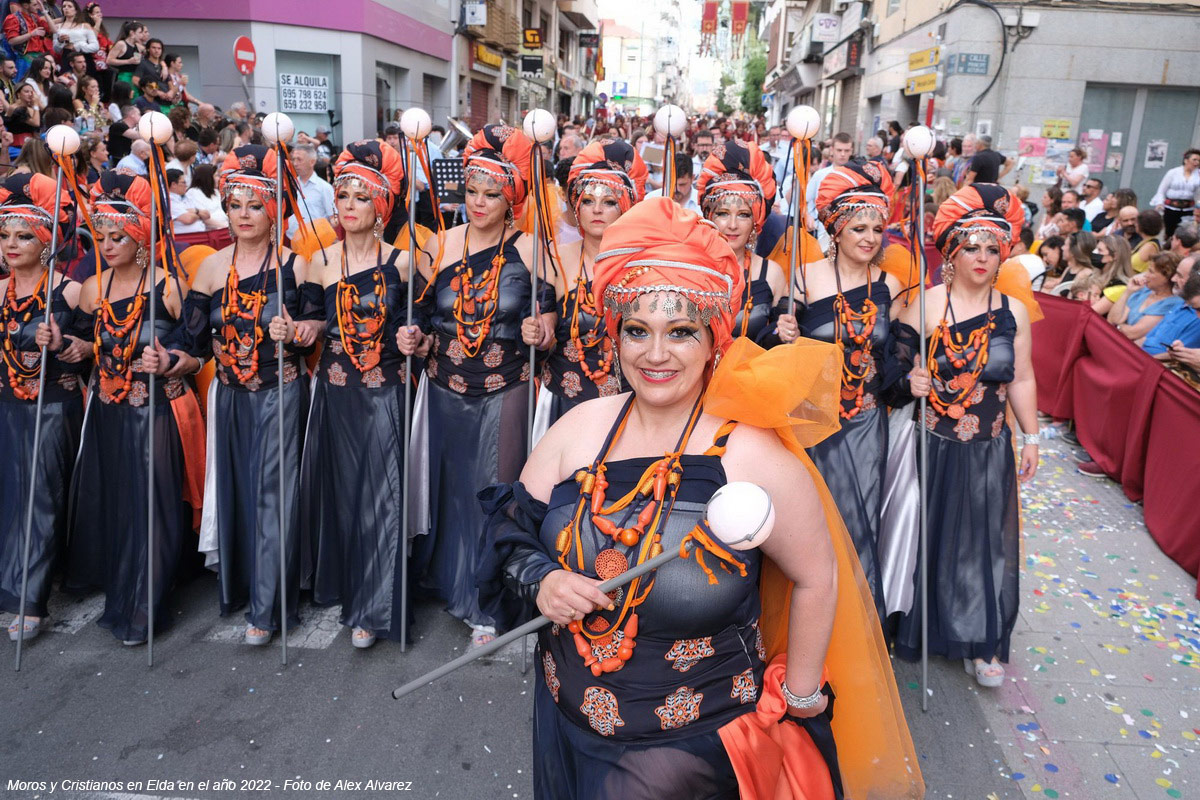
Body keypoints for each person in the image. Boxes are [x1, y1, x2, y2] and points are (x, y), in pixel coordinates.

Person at [478, 196, 921, 800]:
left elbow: (817, 577)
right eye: (637, 331)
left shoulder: (752, 455)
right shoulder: (578, 428)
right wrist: (543, 579)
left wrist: (798, 698)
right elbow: (508, 529)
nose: (656, 354)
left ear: (714, 338)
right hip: (562, 724)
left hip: (691, 755)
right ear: (615, 335)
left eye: (681, 332)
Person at [396, 124, 553, 649]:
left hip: (506, 387)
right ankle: (447, 582)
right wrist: (413, 336)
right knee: (447, 491)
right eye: (472, 191)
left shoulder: (532, 248)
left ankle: (489, 600)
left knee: (495, 492)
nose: (480, 202)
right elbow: (417, 314)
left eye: (492, 194)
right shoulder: (440, 243)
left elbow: (549, 316)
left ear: (511, 201)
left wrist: (542, 330)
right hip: (444, 387)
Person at [155, 145, 317, 647]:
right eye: (235, 205)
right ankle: (246, 586)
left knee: (274, 497)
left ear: (275, 211)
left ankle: (269, 606)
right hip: (228, 398)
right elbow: (193, 345)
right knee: (238, 495)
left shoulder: (297, 266)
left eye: (255, 205)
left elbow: (317, 328)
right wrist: (170, 360)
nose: (243, 215)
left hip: (280, 394)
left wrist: (299, 332)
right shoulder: (209, 268)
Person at [896, 183, 1039, 687]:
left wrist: (1032, 437)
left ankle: (980, 641)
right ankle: (923, 625)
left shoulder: (1013, 311)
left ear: (1003, 254)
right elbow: (894, 368)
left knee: (980, 545)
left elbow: (1022, 377)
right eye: (971, 247)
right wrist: (909, 378)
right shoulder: (926, 305)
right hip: (930, 446)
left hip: (986, 449)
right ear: (952, 252)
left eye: (992, 248)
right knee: (927, 537)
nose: (981, 257)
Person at [65, 171, 205, 646]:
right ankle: (126, 593)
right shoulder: (92, 289)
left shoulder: (170, 287)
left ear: (141, 236)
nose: (106, 245)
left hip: (159, 413)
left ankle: (147, 605)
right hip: (110, 412)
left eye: (117, 236)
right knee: (121, 505)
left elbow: (198, 351)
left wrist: (170, 360)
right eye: (101, 236)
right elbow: (86, 347)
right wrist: (70, 346)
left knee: (155, 505)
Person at [772, 160, 905, 614]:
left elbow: (896, 362)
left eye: (877, 229)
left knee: (858, 522)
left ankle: (856, 623)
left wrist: (912, 380)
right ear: (836, 229)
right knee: (808, 525)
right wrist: (782, 332)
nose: (869, 238)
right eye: (858, 228)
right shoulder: (804, 277)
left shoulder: (890, 286)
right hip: (812, 423)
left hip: (866, 423)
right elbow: (775, 348)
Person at [300, 140, 413, 649]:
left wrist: (416, 338)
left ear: (381, 207)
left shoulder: (405, 263)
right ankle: (346, 587)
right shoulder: (319, 262)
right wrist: (297, 330)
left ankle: (372, 605)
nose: (348, 205)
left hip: (385, 393)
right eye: (342, 195)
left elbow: (421, 326)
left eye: (361, 197)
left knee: (380, 498)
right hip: (334, 395)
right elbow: (308, 322)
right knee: (343, 497)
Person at [0, 173, 86, 642]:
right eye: (5, 235)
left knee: (42, 498)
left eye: (24, 235)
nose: (12, 245)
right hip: (6, 406)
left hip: (53, 407)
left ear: (47, 241)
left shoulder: (70, 291)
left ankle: (31, 600)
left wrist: (65, 343)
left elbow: (93, 352)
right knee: (11, 498)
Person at [532, 139, 646, 443]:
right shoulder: (555, 258)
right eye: (587, 201)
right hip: (563, 401)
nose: (597, 209)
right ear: (576, 205)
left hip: (627, 405)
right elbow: (546, 322)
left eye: (609, 202)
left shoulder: (645, 266)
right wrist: (539, 331)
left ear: (625, 207)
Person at [695, 138, 787, 343]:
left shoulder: (772, 273)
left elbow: (778, 340)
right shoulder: (690, 268)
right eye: (723, 214)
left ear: (755, 221)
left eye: (743, 215)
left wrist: (787, 332)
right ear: (710, 216)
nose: (733, 225)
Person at [1107, 251, 1183, 341]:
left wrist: (1118, 326)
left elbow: (1132, 333)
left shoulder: (1172, 303)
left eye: (1151, 271)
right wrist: (1128, 291)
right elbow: (1112, 320)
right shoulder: (1143, 291)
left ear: (1166, 277)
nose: (1146, 275)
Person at [1143, 270, 1200, 359]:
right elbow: (1146, 339)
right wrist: (1180, 351)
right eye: (1194, 308)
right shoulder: (1181, 304)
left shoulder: (1196, 321)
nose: (1197, 315)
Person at [285, 142, 334, 241]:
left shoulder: (324, 188)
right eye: (293, 159)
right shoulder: (290, 186)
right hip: (291, 240)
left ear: (312, 162)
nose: (295, 164)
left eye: (299, 159)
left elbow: (333, 218)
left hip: (317, 242)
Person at [1150, 149, 1200, 238]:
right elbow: (1161, 190)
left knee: (1186, 233)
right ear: (1186, 160)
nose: (1197, 163)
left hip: (1188, 210)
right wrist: (1159, 203)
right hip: (1171, 209)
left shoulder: (1198, 175)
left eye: (1199, 161)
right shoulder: (1173, 172)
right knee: (1170, 233)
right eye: (1194, 160)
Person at [183, 162, 226, 234]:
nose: (219, 179)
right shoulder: (193, 193)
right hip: (211, 231)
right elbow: (204, 219)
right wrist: (225, 226)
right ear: (208, 178)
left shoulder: (215, 192)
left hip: (223, 227)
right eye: (216, 176)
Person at [4, 80, 39, 158]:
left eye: (32, 92)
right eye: (26, 92)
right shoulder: (15, 108)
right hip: (17, 146)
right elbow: (36, 123)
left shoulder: (32, 108)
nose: (30, 94)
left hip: (31, 144)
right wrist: (36, 105)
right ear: (18, 94)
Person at [166, 167, 205, 235]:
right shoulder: (169, 200)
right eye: (183, 182)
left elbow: (207, 214)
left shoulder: (187, 196)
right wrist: (199, 214)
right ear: (174, 185)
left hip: (199, 234)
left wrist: (195, 211)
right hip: (184, 237)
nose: (186, 185)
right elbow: (188, 219)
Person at [105, 20, 142, 90]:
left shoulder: (137, 46)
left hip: (135, 76)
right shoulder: (121, 44)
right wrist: (128, 61)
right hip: (124, 76)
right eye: (140, 32)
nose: (141, 35)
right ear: (132, 33)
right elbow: (109, 60)